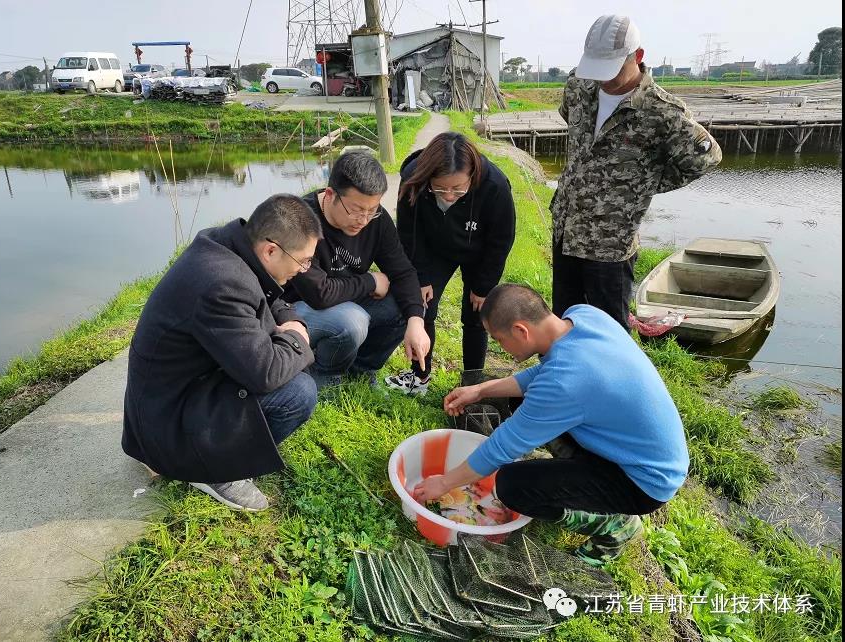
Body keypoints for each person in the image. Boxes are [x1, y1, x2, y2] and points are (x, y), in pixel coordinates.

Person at [414, 284, 689, 567]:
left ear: (522, 331)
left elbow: (501, 446)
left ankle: (616, 527)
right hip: (636, 449)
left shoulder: (564, 381)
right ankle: (577, 476)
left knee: (511, 486)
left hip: (643, 482)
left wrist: (445, 483)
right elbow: (545, 373)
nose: (501, 348)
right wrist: (482, 390)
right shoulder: (583, 316)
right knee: (523, 402)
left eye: (499, 340)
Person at [122, 195, 322, 512]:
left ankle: (214, 453)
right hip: (169, 422)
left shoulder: (228, 245)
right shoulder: (223, 283)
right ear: (271, 250)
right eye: (303, 262)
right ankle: (217, 472)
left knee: (290, 361)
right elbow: (265, 373)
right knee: (298, 392)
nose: (304, 270)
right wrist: (298, 338)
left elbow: (271, 296)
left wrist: (291, 321)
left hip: (179, 390)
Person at [552, 15, 722, 330]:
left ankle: (613, 380)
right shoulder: (577, 88)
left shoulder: (662, 112)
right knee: (563, 321)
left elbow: (706, 159)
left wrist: (642, 184)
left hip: (611, 243)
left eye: (612, 68)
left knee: (610, 330)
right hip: (566, 228)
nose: (603, 78)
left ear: (638, 57)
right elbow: (574, 129)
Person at [282, 151, 431, 388]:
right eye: (356, 210)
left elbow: (402, 272)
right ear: (330, 195)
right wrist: (371, 282)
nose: (363, 219)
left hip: (343, 299)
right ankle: (324, 375)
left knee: (408, 302)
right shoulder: (300, 221)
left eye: (372, 210)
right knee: (352, 320)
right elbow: (319, 294)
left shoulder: (376, 220)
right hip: (296, 310)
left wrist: (416, 321)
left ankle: (360, 371)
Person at [388, 132, 516, 395]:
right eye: (440, 188)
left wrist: (483, 286)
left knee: (476, 316)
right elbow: (408, 232)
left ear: (472, 177)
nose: (448, 195)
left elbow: (501, 240)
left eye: (458, 189)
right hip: (434, 249)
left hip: (479, 250)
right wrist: (421, 277)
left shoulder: (495, 185)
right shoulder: (414, 179)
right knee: (423, 308)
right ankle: (419, 377)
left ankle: (472, 381)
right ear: (429, 178)